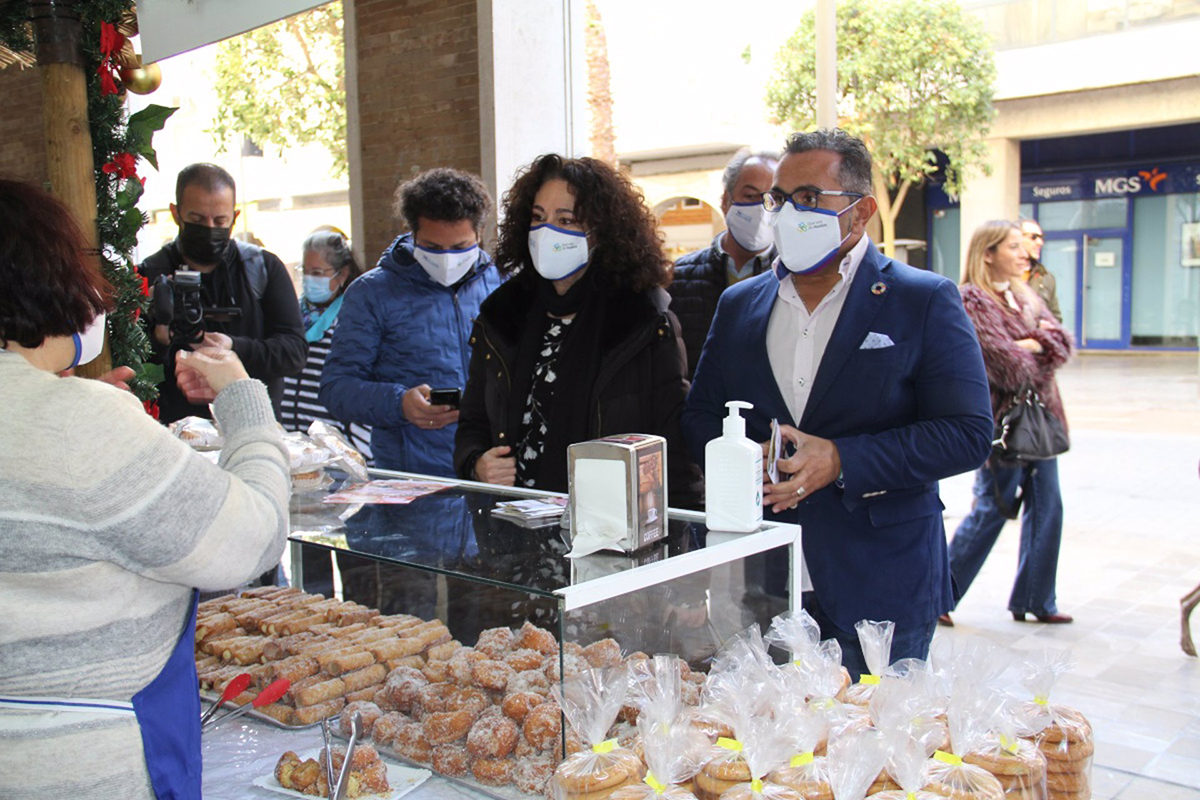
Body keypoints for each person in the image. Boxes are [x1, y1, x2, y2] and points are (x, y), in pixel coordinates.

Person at [0, 180, 290, 798]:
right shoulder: (81, 425)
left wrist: (84, 416)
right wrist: (242, 398)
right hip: (70, 764)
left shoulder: (78, 418)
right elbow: (251, 537)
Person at [682, 129, 994, 676]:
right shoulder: (740, 305)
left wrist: (842, 458)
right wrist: (739, 451)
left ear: (861, 211)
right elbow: (700, 415)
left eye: (808, 199)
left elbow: (967, 432)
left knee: (871, 752)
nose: (785, 213)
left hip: (882, 585)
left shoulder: (921, 299)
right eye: (780, 199)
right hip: (765, 582)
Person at [454, 153, 703, 509]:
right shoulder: (502, 313)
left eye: (566, 220)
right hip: (511, 528)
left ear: (601, 230)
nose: (546, 231)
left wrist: (681, 536)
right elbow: (474, 420)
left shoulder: (642, 318)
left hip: (610, 529)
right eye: (538, 218)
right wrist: (476, 463)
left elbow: (672, 447)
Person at [319, 168, 500, 475]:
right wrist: (399, 404)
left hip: (492, 471)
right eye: (432, 247)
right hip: (414, 480)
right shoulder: (371, 293)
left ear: (480, 234)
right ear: (412, 232)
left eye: (459, 248)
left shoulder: (504, 286)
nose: (447, 259)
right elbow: (336, 388)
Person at [941, 220, 1074, 627]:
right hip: (1002, 426)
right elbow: (1004, 365)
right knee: (991, 510)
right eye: (1013, 246)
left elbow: (1063, 343)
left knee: (1049, 507)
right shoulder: (972, 301)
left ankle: (1036, 599)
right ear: (988, 254)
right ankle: (937, 596)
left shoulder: (1026, 296)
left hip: (1041, 422)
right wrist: (1037, 344)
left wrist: (1035, 344)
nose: (1024, 253)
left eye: (1024, 246)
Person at [139, 163, 307, 423]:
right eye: (196, 219)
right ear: (176, 213)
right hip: (173, 433)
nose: (209, 228)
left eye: (220, 221)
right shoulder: (149, 274)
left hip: (252, 425)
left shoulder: (262, 268)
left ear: (235, 216)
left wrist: (235, 349)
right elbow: (129, 365)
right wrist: (159, 342)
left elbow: (294, 352)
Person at [669, 148, 780, 379]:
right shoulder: (678, 277)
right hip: (698, 410)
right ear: (726, 202)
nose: (762, 210)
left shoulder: (793, 278)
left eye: (773, 199)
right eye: (750, 196)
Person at [278, 229, 372, 457]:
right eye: (306, 272)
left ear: (341, 275)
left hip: (335, 444)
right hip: (290, 442)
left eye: (318, 273)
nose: (310, 280)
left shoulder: (355, 319)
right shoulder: (292, 316)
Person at [1019, 218, 1062, 323]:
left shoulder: (1046, 277)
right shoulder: (1000, 274)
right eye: (1033, 237)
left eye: (1041, 238)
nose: (1040, 242)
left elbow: (1056, 319)